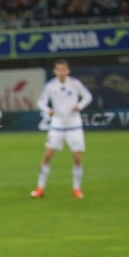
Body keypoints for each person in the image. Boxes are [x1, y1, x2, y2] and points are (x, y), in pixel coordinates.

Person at [30, 59, 92, 199]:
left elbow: (88, 96)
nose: (61, 72)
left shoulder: (75, 84)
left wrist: (79, 106)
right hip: (57, 125)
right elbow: (41, 102)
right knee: (47, 156)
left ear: (68, 71)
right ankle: (40, 188)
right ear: (55, 71)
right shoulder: (51, 86)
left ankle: (76, 189)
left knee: (76, 157)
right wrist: (48, 110)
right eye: (59, 70)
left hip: (74, 125)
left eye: (64, 70)